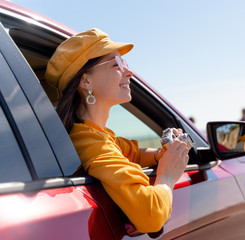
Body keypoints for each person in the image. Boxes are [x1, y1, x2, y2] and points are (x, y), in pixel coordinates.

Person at [45, 28, 190, 233]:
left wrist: (162, 154)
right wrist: (167, 177)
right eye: (117, 64)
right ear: (85, 81)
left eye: (125, 64)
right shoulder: (90, 143)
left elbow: (132, 154)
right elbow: (151, 216)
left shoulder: (94, 135)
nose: (129, 72)